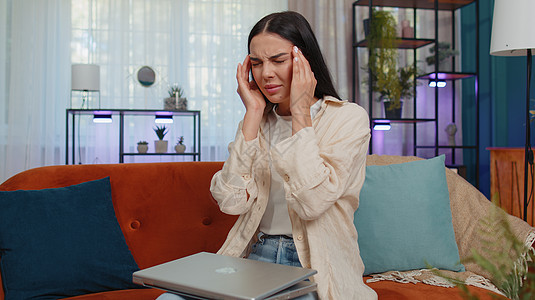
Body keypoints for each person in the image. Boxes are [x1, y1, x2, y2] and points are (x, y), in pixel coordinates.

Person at [157, 11, 377, 300]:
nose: (266, 74)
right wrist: (252, 114)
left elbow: (313, 202)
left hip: (315, 267)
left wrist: (300, 113)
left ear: (304, 61)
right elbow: (230, 202)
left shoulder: (347, 119)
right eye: (257, 63)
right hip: (256, 258)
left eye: (278, 60)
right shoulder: (259, 122)